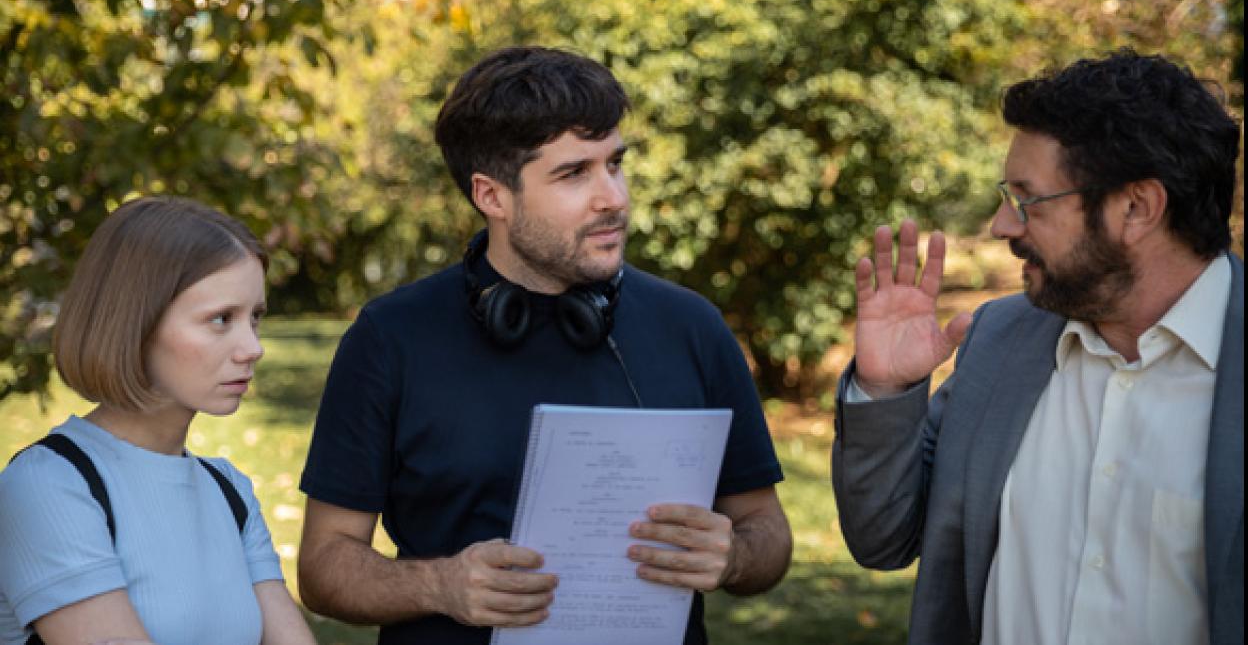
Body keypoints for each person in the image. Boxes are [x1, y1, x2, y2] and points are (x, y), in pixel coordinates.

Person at [296, 46, 793, 644]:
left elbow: (765, 527)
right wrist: (440, 586)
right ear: (492, 196)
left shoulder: (692, 327)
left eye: (614, 163)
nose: (613, 196)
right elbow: (324, 565)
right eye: (573, 173)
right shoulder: (389, 338)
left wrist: (734, 557)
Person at [832, 48, 1243, 645]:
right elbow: (883, 538)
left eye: (1026, 199)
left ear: (1137, 207)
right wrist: (886, 389)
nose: (1002, 225)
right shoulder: (998, 342)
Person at [0, 197, 316, 645]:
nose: (253, 347)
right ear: (137, 323)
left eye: (256, 318)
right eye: (221, 319)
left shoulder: (228, 490)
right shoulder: (49, 486)